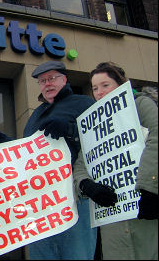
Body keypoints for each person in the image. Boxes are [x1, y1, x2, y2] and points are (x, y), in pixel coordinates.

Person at [0, 61, 116, 259]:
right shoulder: (35, 115)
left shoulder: (83, 103)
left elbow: (101, 140)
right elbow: (28, 154)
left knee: (77, 254)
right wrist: (4, 142)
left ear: (64, 79)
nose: (47, 83)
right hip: (39, 202)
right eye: (42, 81)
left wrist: (70, 131)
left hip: (74, 196)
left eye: (52, 78)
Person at [74, 62, 158, 260]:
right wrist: (88, 186)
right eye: (95, 88)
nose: (99, 92)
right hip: (113, 221)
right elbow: (81, 164)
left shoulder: (140, 104)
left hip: (146, 208)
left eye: (105, 85)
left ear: (120, 84)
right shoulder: (92, 123)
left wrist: (149, 186)